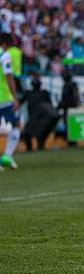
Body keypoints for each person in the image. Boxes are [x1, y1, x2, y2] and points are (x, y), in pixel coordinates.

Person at [21, 75, 59, 151]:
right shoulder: (29, 93)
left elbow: (50, 106)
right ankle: (30, 148)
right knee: (27, 133)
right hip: (33, 118)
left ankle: (39, 146)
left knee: (39, 134)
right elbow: (20, 101)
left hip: (41, 119)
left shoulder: (44, 93)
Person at [0, 32, 20, 170]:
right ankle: (7, 155)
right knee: (16, 124)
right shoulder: (4, 55)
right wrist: (14, 96)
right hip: (3, 97)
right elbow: (8, 76)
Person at [57, 70, 80, 143]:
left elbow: (65, 98)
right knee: (73, 124)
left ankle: (70, 140)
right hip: (73, 107)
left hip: (68, 108)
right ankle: (73, 139)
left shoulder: (67, 86)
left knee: (68, 124)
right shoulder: (74, 85)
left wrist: (59, 106)